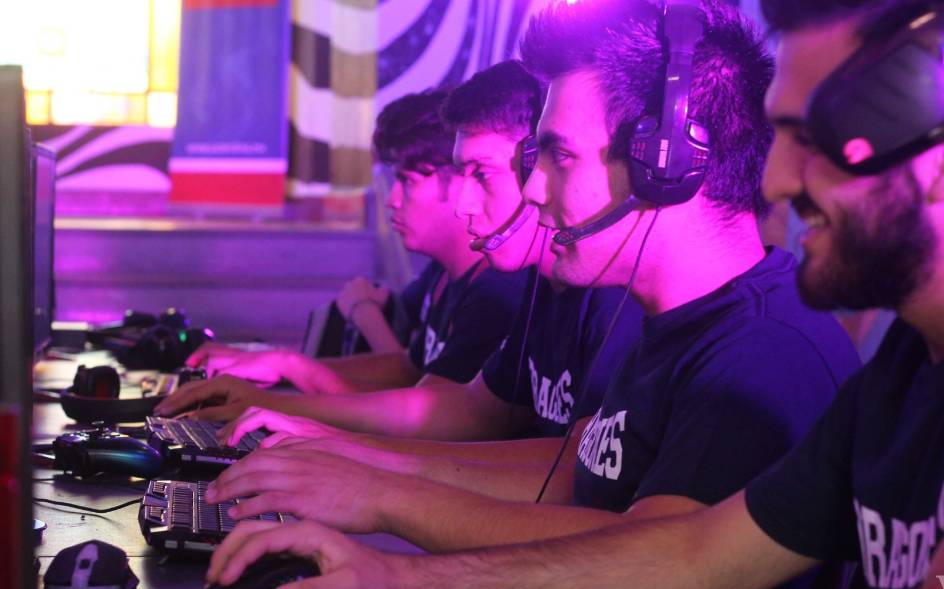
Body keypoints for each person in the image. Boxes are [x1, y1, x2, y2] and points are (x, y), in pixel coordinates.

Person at [207, 1, 944, 589]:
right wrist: (393, 580)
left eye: (813, 140)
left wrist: (382, 509)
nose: (775, 179)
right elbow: (688, 556)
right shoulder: (913, 361)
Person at [204, 1, 859, 589]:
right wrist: (352, 464)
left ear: (667, 163)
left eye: (559, 155)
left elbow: (659, 555)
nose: (534, 188)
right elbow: (576, 477)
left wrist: (384, 511)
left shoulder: (762, 354)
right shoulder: (665, 323)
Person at [156, 61, 646, 496]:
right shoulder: (544, 287)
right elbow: (464, 408)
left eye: (482, 174)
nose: (463, 205)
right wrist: (315, 424)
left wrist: (352, 450)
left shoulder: (599, 299)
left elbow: (575, 474)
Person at [181, 91, 527, 394]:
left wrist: (291, 371)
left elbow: (426, 413)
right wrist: (271, 363)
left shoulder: (497, 293)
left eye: (407, 181)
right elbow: (409, 369)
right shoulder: (441, 275)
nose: (392, 200)